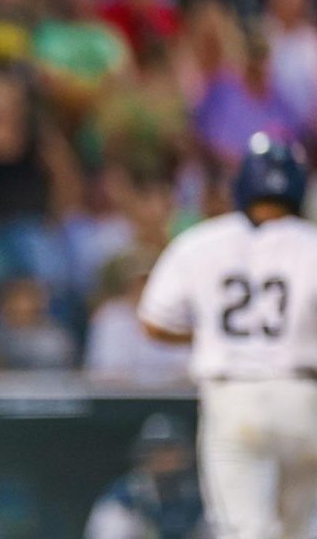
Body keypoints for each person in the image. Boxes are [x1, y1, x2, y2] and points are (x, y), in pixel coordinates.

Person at [139, 133, 317, 539]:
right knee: (300, 531)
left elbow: (152, 320)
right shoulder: (312, 244)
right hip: (303, 396)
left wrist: (208, 335)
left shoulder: (204, 241)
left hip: (234, 398)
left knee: (245, 531)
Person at [84, 413, 208, 539]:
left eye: (172, 450)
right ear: (143, 455)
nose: (165, 458)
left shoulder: (199, 495)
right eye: (157, 451)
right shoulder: (123, 497)